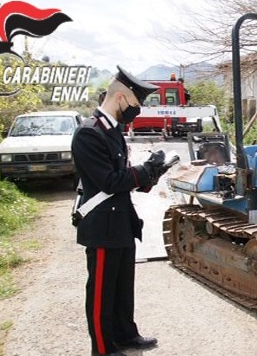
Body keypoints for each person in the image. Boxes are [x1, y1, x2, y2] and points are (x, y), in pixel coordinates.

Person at [72, 66, 166, 356]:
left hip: (122, 221)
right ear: (122, 98)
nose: (136, 111)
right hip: (101, 226)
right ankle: (102, 348)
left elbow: (124, 177)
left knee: (123, 286)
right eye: (136, 105)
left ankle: (125, 335)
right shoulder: (88, 134)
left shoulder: (113, 132)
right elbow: (109, 181)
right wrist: (143, 170)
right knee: (101, 291)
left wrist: (154, 172)